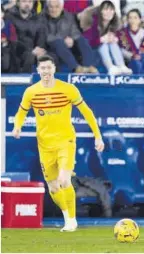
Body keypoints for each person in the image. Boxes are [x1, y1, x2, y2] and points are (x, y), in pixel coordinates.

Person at [12, 55, 105, 232]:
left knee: (64, 180)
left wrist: (97, 136)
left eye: (49, 67)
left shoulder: (68, 89)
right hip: (45, 145)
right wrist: (17, 127)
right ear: (38, 71)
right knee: (53, 187)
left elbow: (87, 112)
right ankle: (66, 217)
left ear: (54, 69)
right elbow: (21, 112)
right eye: (43, 68)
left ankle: (72, 220)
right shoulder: (31, 92)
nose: (46, 71)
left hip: (66, 141)